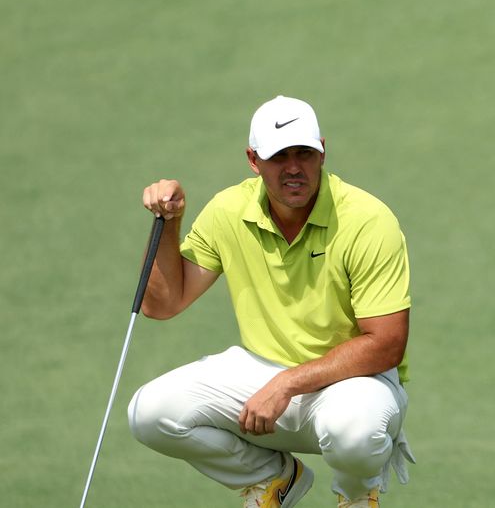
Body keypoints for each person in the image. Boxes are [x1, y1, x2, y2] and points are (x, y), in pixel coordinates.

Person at [129, 95, 414, 508]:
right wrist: (169, 224)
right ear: (253, 160)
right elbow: (163, 303)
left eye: (304, 153)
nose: (294, 167)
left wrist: (287, 383)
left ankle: (355, 496)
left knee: (355, 432)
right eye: (279, 156)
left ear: (322, 152)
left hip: (356, 382)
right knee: (150, 413)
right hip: (262, 371)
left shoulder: (368, 220)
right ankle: (273, 480)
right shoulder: (229, 210)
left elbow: (386, 343)